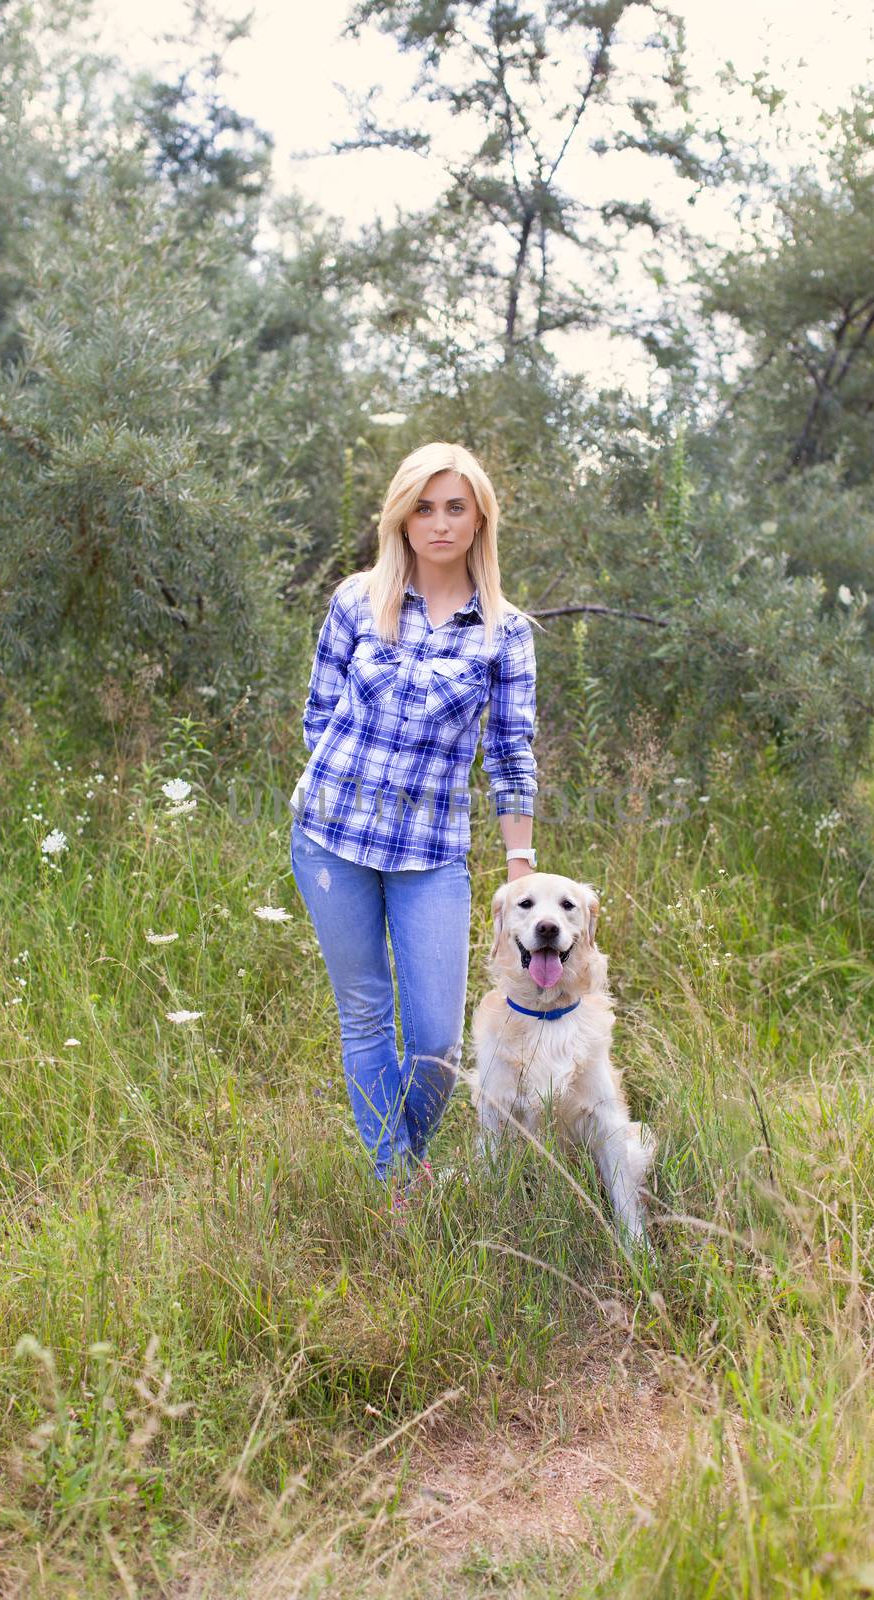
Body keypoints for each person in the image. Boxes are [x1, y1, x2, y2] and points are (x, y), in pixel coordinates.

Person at [288, 440, 540, 1213]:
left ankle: (397, 1157)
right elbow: (318, 714)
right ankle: (398, 1189)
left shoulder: (506, 631)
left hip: (431, 853)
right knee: (364, 1014)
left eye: (454, 508)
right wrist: (347, 782)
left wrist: (519, 861)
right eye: (423, 507)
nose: (437, 523)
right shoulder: (356, 600)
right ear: (400, 516)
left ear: (478, 520)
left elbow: (509, 748)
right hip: (331, 839)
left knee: (436, 1042)